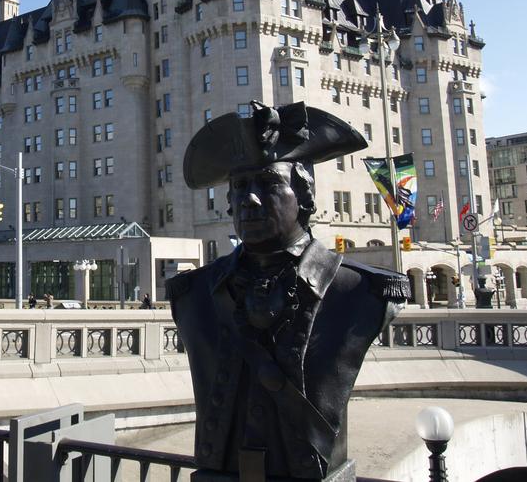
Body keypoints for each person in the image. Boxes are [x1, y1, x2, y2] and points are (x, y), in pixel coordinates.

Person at [168, 101, 409, 480]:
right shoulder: (191, 293)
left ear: (305, 195)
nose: (248, 199)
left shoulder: (365, 291)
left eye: (268, 184)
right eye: (239, 187)